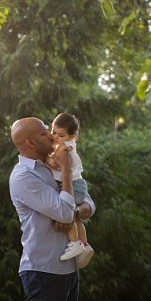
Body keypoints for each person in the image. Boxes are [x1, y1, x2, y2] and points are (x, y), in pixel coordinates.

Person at [9, 117, 95, 301]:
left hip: (70, 270)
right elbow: (64, 213)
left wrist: (77, 212)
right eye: (44, 133)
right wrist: (65, 169)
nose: (50, 135)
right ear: (30, 143)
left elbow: (87, 202)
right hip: (44, 271)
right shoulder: (23, 177)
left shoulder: (50, 165)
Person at [49, 112, 95, 268]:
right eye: (53, 132)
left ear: (72, 136)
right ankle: (84, 245)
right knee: (76, 218)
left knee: (68, 214)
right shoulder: (65, 144)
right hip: (79, 184)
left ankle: (75, 243)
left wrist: (43, 157)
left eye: (60, 135)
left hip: (75, 185)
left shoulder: (65, 146)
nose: (55, 137)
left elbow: (54, 162)